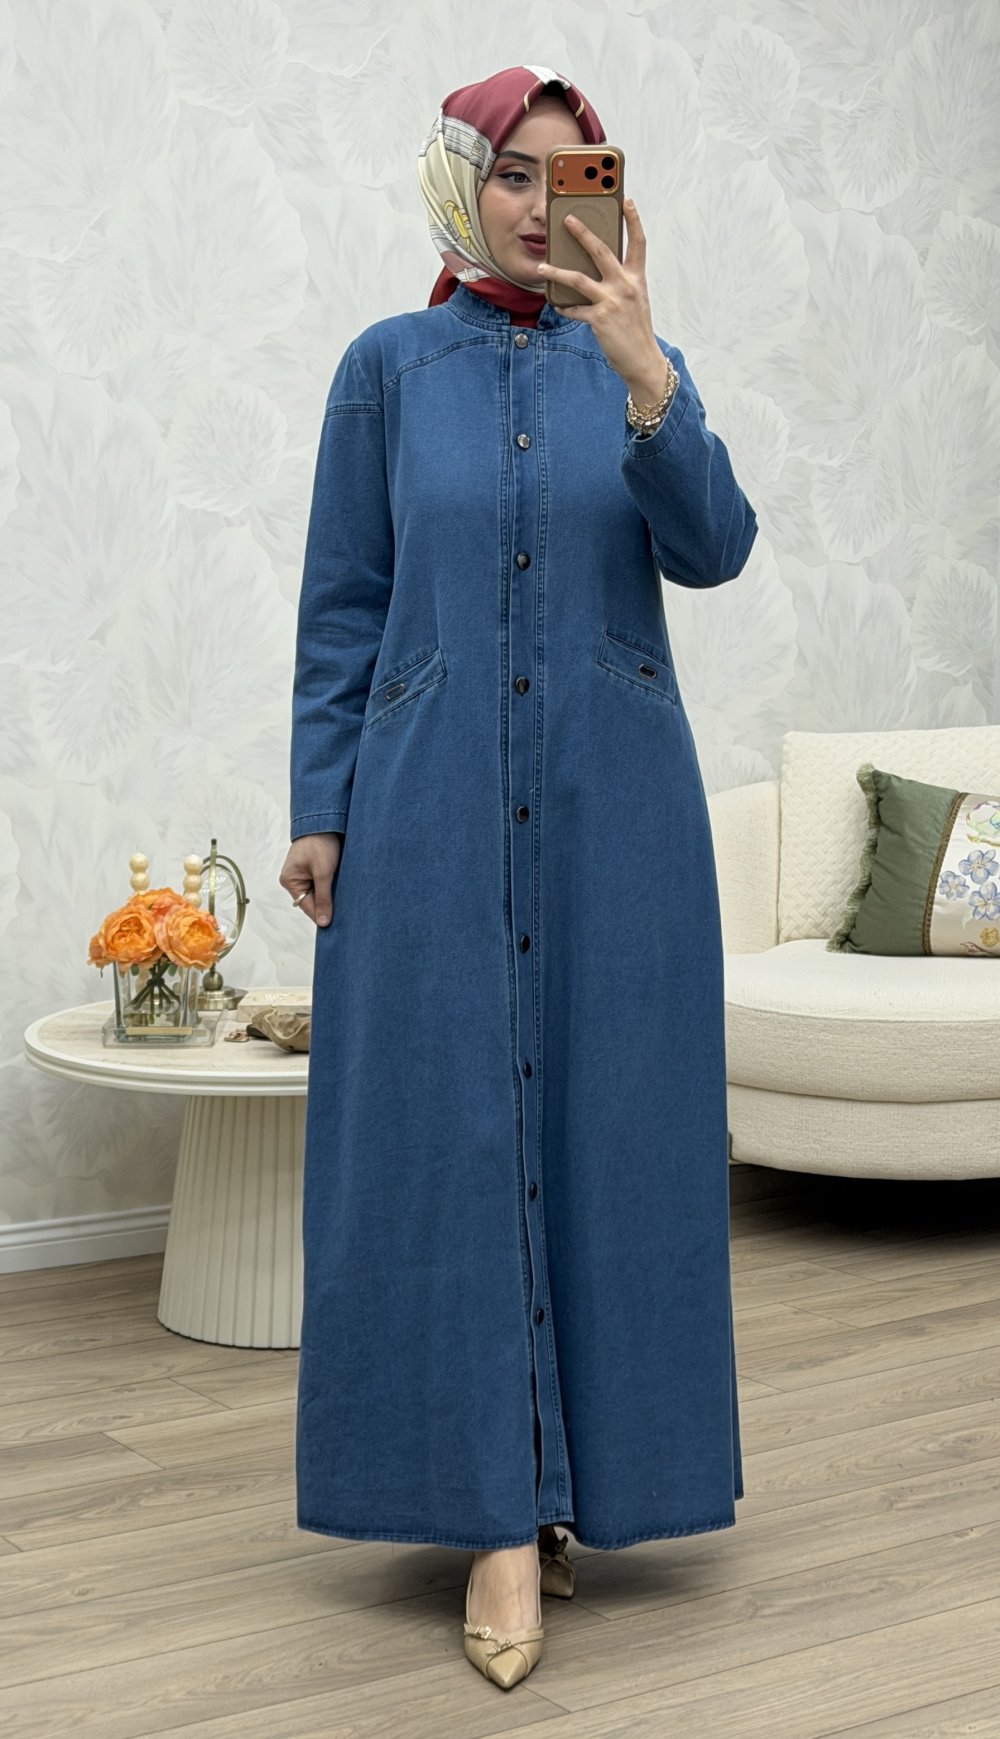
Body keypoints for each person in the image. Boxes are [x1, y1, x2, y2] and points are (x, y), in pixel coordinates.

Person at [279, 64, 758, 1691]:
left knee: (611, 1133)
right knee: (447, 1138)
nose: (545, 206)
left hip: (618, 810)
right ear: (461, 184)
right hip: (425, 807)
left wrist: (645, 371)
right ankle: (492, 1517)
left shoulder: (641, 362)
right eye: (514, 175)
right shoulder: (386, 370)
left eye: (578, 175)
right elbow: (346, 601)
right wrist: (323, 807)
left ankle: (579, 1487)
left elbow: (714, 548)